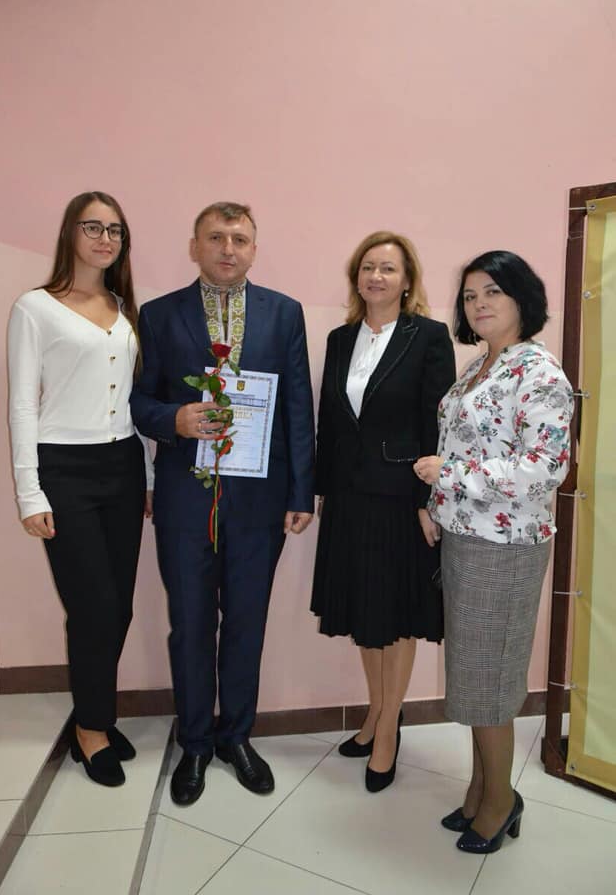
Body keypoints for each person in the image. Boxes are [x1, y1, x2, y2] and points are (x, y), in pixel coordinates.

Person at [130, 201, 315, 805]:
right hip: (185, 498)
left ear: (254, 249)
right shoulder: (159, 315)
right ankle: (195, 743)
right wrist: (175, 419)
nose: (228, 248)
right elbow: (138, 403)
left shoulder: (284, 313)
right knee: (189, 624)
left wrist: (301, 491)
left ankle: (236, 736)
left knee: (246, 621)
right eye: (216, 237)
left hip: (261, 500)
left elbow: (298, 408)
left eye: (239, 239)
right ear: (195, 247)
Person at [414, 251, 573, 853]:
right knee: (476, 675)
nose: (479, 304)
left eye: (493, 292)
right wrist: (436, 504)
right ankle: (481, 788)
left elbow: (546, 468)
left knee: (491, 678)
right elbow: (461, 445)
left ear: (521, 298)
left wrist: (450, 477)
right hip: (467, 538)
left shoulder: (539, 371)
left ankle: (500, 802)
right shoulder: (480, 366)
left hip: (506, 546)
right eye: (470, 295)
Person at [7, 191, 153, 788]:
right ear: (70, 232)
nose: (104, 239)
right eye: (93, 227)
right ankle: (90, 730)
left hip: (123, 466)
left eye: (115, 230)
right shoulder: (35, 308)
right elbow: (22, 403)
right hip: (63, 469)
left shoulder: (124, 308)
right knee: (92, 605)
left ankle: (97, 713)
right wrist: (30, 493)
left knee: (118, 606)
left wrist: (145, 478)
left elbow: (131, 401)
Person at [311, 231, 455, 792]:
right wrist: (321, 490)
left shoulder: (429, 337)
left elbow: (437, 425)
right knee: (366, 617)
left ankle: (390, 728)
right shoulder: (340, 338)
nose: (376, 276)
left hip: (401, 498)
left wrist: (427, 503)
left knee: (395, 619)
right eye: (368, 267)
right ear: (357, 277)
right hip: (349, 497)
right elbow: (330, 421)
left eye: (388, 268)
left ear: (407, 280)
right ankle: (375, 713)